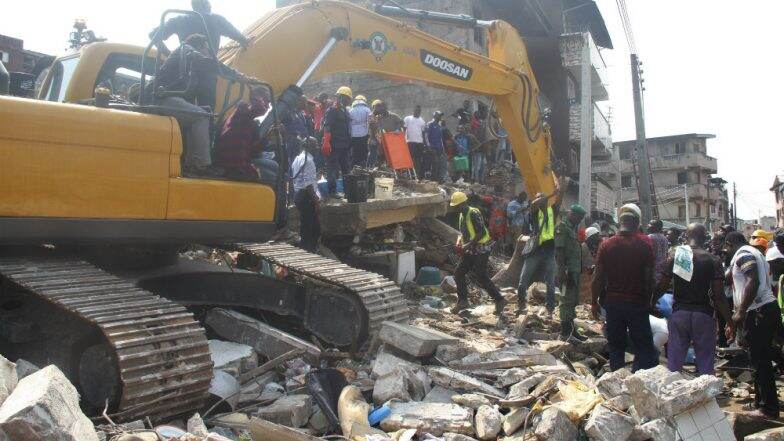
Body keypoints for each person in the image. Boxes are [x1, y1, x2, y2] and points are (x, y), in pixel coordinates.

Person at [150, 34, 248, 175]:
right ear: (201, 46)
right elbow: (206, 62)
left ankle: (191, 162)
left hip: (167, 97)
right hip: (163, 99)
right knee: (201, 116)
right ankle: (200, 164)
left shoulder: (185, 58)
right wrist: (235, 74)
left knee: (203, 112)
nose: (209, 53)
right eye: (208, 49)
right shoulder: (187, 50)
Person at [655, 223, 732, 375]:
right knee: (705, 362)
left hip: (680, 313)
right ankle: (707, 396)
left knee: (674, 363)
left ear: (686, 237)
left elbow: (662, 286)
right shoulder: (713, 260)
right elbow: (719, 296)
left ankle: (673, 394)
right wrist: (730, 321)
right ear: (705, 238)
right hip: (703, 315)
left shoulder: (676, 255)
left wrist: (651, 302)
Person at [591, 203, 658, 372]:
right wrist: (649, 302)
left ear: (620, 223)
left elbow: (598, 278)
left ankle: (617, 381)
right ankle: (640, 380)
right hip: (637, 302)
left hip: (613, 303)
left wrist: (593, 302)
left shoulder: (606, 245)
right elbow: (649, 279)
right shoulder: (645, 245)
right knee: (643, 346)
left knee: (616, 346)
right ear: (637, 223)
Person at [150, 0, 249, 109]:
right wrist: (245, 41)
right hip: (207, 72)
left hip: (185, 74)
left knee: (189, 110)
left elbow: (153, 35)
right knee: (207, 111)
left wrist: (170, 54)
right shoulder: (217, 20)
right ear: (207, 5)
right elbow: (238, 36)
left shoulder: (179, 20)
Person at [724, 231, 780, 418]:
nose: (726, 251)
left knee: (761, 361)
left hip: (759, 311)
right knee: (758, 359)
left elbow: (752, 280)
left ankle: (768, 408)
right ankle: (760, 402)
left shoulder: (743, 254)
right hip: (764, 309)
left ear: (731, 243)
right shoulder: (755, 253)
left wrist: (740, 311)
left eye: (726, 246)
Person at [450, 191, 507, 315]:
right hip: (470, 249)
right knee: (459, 273)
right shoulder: (462, 215)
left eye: (458, 206)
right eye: (455, 206)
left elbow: (480, 232)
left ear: (464, 203)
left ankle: (499, 300)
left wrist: (467, 245)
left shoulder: (473, 212)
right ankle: (462, 301)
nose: (456, 208)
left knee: (481, 275)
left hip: (481, 248)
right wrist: (459, 242)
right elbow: (464, 232)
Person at [517, 180, 564, 315]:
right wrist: (549, 195)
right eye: (538, 198)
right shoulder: (534, 212)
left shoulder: (552, 211)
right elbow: (533, 204)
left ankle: (550, 309)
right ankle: (521, 304)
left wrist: (558, 191)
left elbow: (559, 199)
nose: (539, 201)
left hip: (549, 250)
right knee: (523, 280)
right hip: (535, 251)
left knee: (550, 282)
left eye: (541, 198)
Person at [214, 87, 270, 180]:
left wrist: (267, 138)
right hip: (231, 167)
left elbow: (249, 151)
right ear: (256, 99)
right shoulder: (242, 114)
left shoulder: (245, 118)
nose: (268, 106)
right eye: (266, 101)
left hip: (234, 163)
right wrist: (255, 172)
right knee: (273, 174)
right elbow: (239, 161)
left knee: (274, 167)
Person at [556, 204, 587, 341]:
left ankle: (572, 331)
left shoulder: (572, 228)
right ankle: (565, 333)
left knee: (572, 300)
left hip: (574, 270)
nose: (579, 221)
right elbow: (559, 251)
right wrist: (561, 271)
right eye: (578, 218)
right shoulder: (561, 227)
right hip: (566, 270)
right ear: (572, 214)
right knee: (566, 300)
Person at [291, 137, 321, 252]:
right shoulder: (308, 161)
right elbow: (308, 185)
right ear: (310, 147)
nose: (317, 147)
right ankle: (308, 252)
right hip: (305, 197)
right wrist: (316, 202)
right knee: (311, 229)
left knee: (309, 227)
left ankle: (308, 250)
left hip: (299, 195)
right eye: (316, 145)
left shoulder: (298, 158)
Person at [322, 86, 353, 196]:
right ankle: (332, 192)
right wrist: (326, 142)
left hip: (345, 145)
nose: (350, 101)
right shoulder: (332, 110)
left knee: (346, 169)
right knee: (332, 169)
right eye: (348, 98)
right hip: (334, 145)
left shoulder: (345, 110)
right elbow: (327, 126)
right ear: (341, 97)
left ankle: (348, 190)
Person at [368, 100, 404, 168]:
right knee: (380, 157)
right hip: (382, 142)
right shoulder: (377, 117)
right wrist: (373, 113)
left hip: (392, 142)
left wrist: (397, 129)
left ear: (385, 108)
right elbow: (371, 127)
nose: (380, 110)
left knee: (393, 158)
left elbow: (402, 123)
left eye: (381, 108)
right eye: (379, 108)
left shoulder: (393, 116)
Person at [282, 96, 311, 166]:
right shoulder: (289, 113)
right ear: (298, 102)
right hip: (293, 141)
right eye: (304, 102)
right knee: (293, 162)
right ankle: (292, 176)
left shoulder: (300, 113)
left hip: (302, 141)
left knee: (301, 162)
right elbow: (286, 127)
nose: (306, 105)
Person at [424, 111, 448, 183]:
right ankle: (433, 180)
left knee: (440, 164)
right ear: (435, 116)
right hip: (432, 148)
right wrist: (429, 147)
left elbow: (440, 139)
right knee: (434, 163)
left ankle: (437, 180)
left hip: (439, 149)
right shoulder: (430, 124)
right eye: (439, 115)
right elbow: (426, 137)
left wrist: (442, 149)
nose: (440, 117)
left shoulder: (439, 126)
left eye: (441, 116)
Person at [349, 95, 372, 168]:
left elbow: (349, 122)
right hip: (364, 133)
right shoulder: (367, 109)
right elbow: (370, 122)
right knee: (363, 151)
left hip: (353, 134)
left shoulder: (351, 110)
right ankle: (363, 166)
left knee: (354, 152)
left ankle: (353, 166)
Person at [404, 105, 427, 176]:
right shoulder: (407, 118)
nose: (418, 112)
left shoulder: (422, 121)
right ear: (413, 110)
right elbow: (404, 130)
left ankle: (417, 175)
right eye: (416, 110)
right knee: (411, 159)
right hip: (410, 142)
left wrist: (424, 143)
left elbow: (423, 133)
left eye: (419, 111)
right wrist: (403, 140)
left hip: (419, 143)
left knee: (418, 160)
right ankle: (410, 174)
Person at [648, 219, 669, 285]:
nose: (648, 225)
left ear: (656, 227)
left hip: (653, 269)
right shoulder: (664, 238)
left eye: (650, 224)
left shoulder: (650, 237)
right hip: (662, 268)